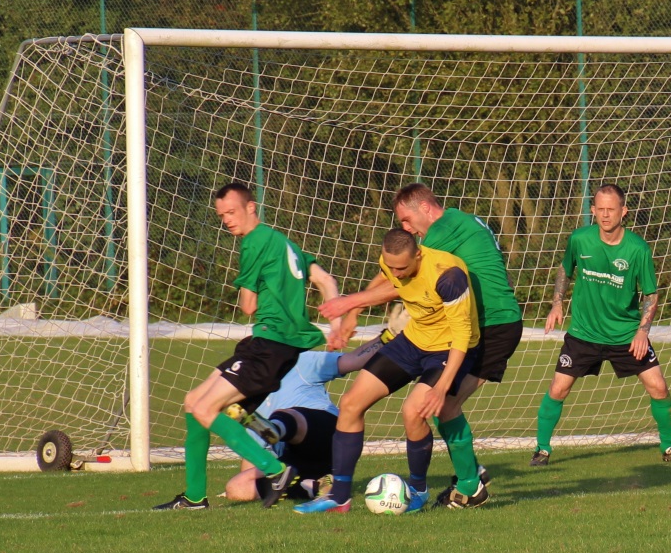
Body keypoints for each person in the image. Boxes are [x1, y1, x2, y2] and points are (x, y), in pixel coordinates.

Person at [320, 184, 520, 505]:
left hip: (493, 325)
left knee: (442, 404)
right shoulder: (457, 220)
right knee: (438, 406)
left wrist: (351, 305)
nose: (406, 228)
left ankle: (470, 486)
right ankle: (471, 476)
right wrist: (354, 307)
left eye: (407, 219)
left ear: (426, 208)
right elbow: (396, 273)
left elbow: (400, 280)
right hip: (479, 323)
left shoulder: (441, 232)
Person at [155, 182, 343, 511]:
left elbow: (248, 306)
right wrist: (337, 328)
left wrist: (248, 286)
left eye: (231, 212)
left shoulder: (254, 241)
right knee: (194, 402)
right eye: (221, 215)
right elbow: (327, 281)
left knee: (206, 409)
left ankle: (276, 470)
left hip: (271, 343)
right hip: (271, 346)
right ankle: (195, 496)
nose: (227, 220)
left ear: (251, 207)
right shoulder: (285, 243)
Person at [295, 228, 488, 513]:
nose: (395, 272)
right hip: (413, 340)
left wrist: (441, 387)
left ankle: (418, 491)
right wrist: (352, 306)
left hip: (450, 348)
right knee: (350, 404)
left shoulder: (449, 276)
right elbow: (392, 286)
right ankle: (339, 497)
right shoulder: (390, 263)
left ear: (418, 255)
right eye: (391, 267)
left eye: (402, 268)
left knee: (413, 411)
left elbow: (463, 335)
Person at [532, 183, 671, 466]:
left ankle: (669, 447)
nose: (605, 215)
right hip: (584, 333)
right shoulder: (580, 239)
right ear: (593, 210)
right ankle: (542, 450)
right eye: (600, 209)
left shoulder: (637, 249)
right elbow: (565, 269)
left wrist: (642, 332)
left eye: (611, 209)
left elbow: (651, 294)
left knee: (658, 387)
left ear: (623, 211)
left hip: (625, 335)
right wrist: (557, 303)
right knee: (558, 389)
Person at [223, 338, 384, 503]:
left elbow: (353, 360)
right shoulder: (249, 407)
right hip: (296, 461)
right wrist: (247, 479)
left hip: (328, 438)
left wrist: (386, 337)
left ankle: (276, 428)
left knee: (288, 415)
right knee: (236, 487)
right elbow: (253, 464)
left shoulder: (299, 363)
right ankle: (314, 486)